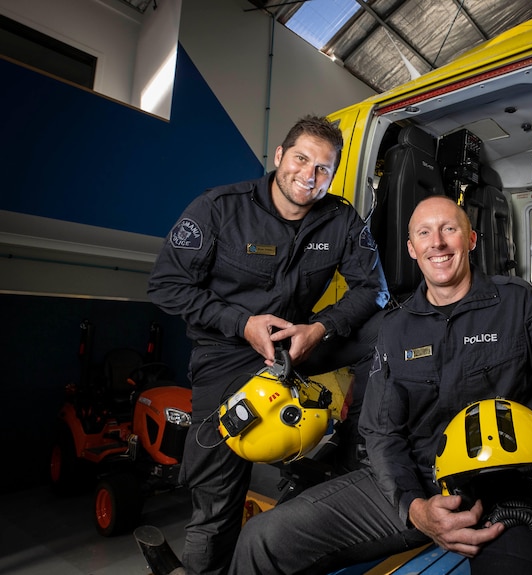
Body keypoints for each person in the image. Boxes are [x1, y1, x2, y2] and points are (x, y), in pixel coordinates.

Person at [228, 195, 532, 575]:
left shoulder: (518, 305)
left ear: (471, 239)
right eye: (424, 233)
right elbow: (381, 432)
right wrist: (414, 507)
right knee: (262, 539)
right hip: (416, 483)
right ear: (411, 248)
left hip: (503, 486)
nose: (436, 243)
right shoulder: (396, 327)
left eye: (449, 229)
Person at [147, 115, 390, 575]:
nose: (310, 175)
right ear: (279, 156)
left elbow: (373, 289)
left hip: (298, 344)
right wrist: (241, 323)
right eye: (302, 159)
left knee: (387, 332)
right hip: (228, 353)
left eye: (323, 168)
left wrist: (318, 329)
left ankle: (348, 457)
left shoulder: (340, 219)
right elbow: (166, 285)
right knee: (218, 497)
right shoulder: (218, 208)